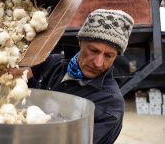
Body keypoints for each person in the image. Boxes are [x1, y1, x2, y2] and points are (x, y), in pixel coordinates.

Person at [14, 9, 134, 144]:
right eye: (93, 50)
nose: (98, 63)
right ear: (80, 42)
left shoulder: (110, 105)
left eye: (108, 55)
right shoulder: (52, 63)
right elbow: (21, 81)